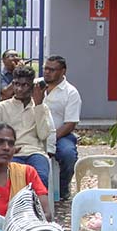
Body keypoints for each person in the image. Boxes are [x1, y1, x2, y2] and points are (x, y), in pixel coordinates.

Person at [0, 65, 54, 188]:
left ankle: (36, 207)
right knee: (13, 181)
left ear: (32, 87)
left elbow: (43, 135)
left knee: (41, 178)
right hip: (11, 153)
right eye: (16, 84)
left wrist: (38, 106)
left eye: (24, 85)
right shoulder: (2, 107)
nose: (19, 89)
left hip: (35, 152)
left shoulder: (41, 107)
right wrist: (8, 149)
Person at [42, 55, 82, 199]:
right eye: (45, 68)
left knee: (68, 154)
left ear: (63, 71)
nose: (47, 72)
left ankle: (63, 187)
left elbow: (70, 123)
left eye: (52, 69)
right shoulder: (36, 86)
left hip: (60, 135)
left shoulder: (71, 93)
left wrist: (51, 138)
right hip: (34, 133)